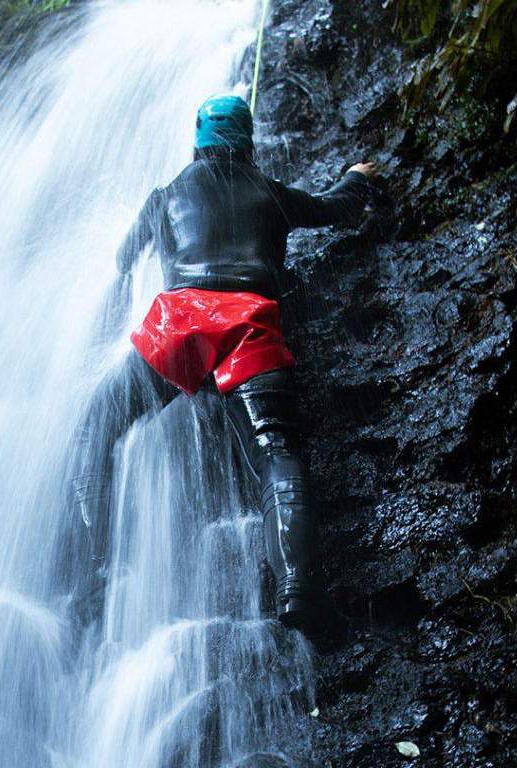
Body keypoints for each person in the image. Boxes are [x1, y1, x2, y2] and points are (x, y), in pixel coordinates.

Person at [70, 94, 375, 634]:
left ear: (197, 144)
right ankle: (298, 587)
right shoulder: (271, 193)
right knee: (276, 453)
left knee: (98, 427)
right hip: (248, 327)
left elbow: (123, 259)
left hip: (179, 328)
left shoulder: (164, 196)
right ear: (248, 146)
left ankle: (99, 572)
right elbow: (335, 209)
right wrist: (356, 176)